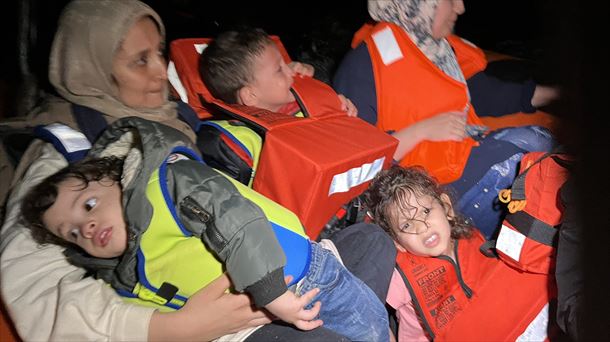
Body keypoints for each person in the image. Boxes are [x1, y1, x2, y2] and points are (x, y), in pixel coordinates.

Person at [0, 1, 396, 341]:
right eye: (140, 60)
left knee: (374, 240)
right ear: (94, 66)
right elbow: (33, 288)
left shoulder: (168, 120)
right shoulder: (61, 159)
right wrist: (174, 328)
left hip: (254, 272)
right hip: (203, 321)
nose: (160, 71)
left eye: (159, 52)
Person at [19, 117, 390, 342]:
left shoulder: (167, 184)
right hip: (240, 322)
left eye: (89, 206)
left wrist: (270, 292)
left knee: (371, 321)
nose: (87, 228)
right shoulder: (118, 272)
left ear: (115, 178)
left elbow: (234, 219)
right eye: (72, 233)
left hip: (288, 279)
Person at [332, 0, 556, 237]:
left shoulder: (433, 48)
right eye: (451, 0)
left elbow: (480, 93)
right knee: (519, 165)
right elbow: (359, 167)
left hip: (463, 154)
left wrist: (555, 96)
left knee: (540, 141)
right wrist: (422, 130)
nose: (460, 8)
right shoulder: (361, 66)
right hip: (426, 198)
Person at [363, 165, 555, 341]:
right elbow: (368, 310)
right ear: (398, 243)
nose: (422, 228)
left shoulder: (473, 240)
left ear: (446, 207)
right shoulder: (399, 279)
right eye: (406, 225)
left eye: (425, 212)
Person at [199, 27, 357, 117]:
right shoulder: (245, 147)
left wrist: (339, 108)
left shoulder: (305, 105)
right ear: (250, 96)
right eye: (279, 69)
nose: (290, 70)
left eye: (286, 63)